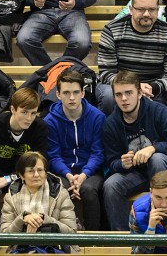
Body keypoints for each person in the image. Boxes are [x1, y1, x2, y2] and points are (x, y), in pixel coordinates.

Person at [102, 71, 167, 232]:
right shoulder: (110, 124)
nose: (124, 99)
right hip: (137, 174)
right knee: (110, 185)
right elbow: (111, 163)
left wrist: (153, 148)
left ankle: (165, 230)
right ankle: (123, 242)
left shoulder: (158, 111)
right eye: (119, 95)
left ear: (140, 93)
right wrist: (122, 163)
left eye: (129, 93)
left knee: (156, 159)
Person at [96, 0, 167, 132]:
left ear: (158, 10)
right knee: (107, 94)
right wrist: (134, 88)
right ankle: (109, 144)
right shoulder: (112, 30)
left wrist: (153, 87)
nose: (147, 14)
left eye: (152, 10)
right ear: (131, 9)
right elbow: (106, 73)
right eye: (141, 9)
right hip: (121, 85)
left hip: (154, 87)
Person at [45, 70, 106, 230]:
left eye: (75, 92)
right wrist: (69, 176)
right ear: (58, 95)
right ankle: (63, 239)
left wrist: (84, 175)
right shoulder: (50, 121)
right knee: (60, 190)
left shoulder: (97, 117)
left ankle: (94, 240)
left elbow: (98, 152)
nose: (71, 98)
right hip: (63, 172)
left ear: (83, 93)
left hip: (91, 171)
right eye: (66, 93)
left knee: (89, 190)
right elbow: (53, 156)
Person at [0, 88, 49, 210]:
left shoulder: (40, 128)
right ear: (13, 109)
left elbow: (41, 164)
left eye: (33, 113)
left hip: (23, 176)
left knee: (43, 186)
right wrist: (5, 180)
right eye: (24, 112)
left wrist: (9, 179)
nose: (29, 118)